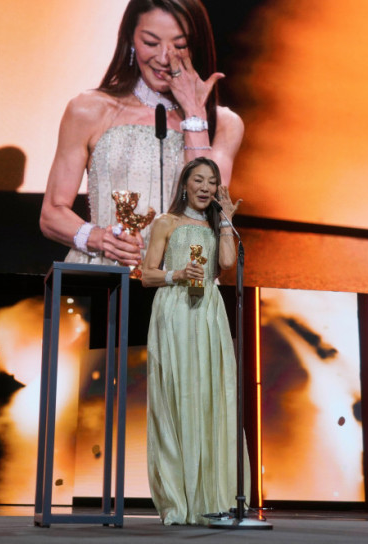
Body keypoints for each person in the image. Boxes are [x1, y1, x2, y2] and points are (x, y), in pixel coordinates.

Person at [39, 0, 244, 267]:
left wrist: (194, 115)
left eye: (179, 45)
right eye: (150, 42)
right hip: (106, 277)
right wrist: (100, 238)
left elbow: (204, 211)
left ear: (195, 47)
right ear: (131, 41)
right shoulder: (89, 110)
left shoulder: (223, 124)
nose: (163, 58)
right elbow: (51, 214)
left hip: (183, 285)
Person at [141, 157, 250, 525]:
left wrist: (226, 222)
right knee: (177, 396)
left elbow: (227, 263)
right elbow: (146, 275)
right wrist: (176, 274)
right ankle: (178, 499)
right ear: (185, 184)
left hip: (208, 312)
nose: (205, 187)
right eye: (198, 180)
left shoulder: (215, 224)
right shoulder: (165, 223)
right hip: (174, 311)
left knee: (210, 398)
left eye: (212, 182)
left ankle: (212, 496)